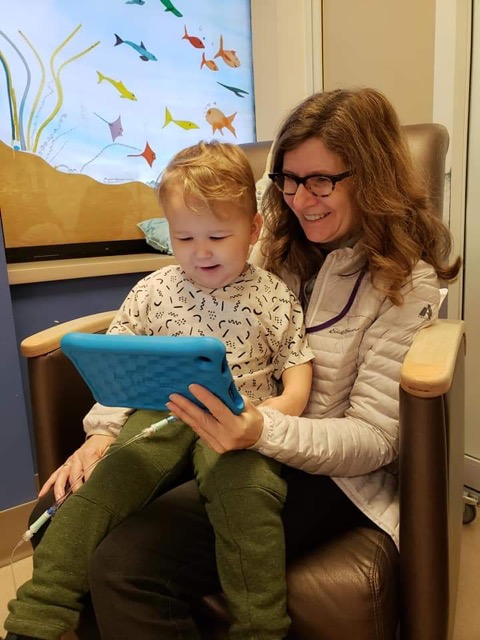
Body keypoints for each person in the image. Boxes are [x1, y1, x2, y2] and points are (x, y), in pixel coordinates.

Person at [4, 141, 314, 640]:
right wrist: (100, 435)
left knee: (247, 498)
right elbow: (118, 369)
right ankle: (39, 615)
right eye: (184, 237)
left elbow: (298, 375)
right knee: (101, 488)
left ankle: (261, 628)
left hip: (239, 422)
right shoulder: (154, 291)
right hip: (159, 414)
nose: (201, 251)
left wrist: (265, 418)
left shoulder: (273, 295)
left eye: (217, 236)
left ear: (254, 229)